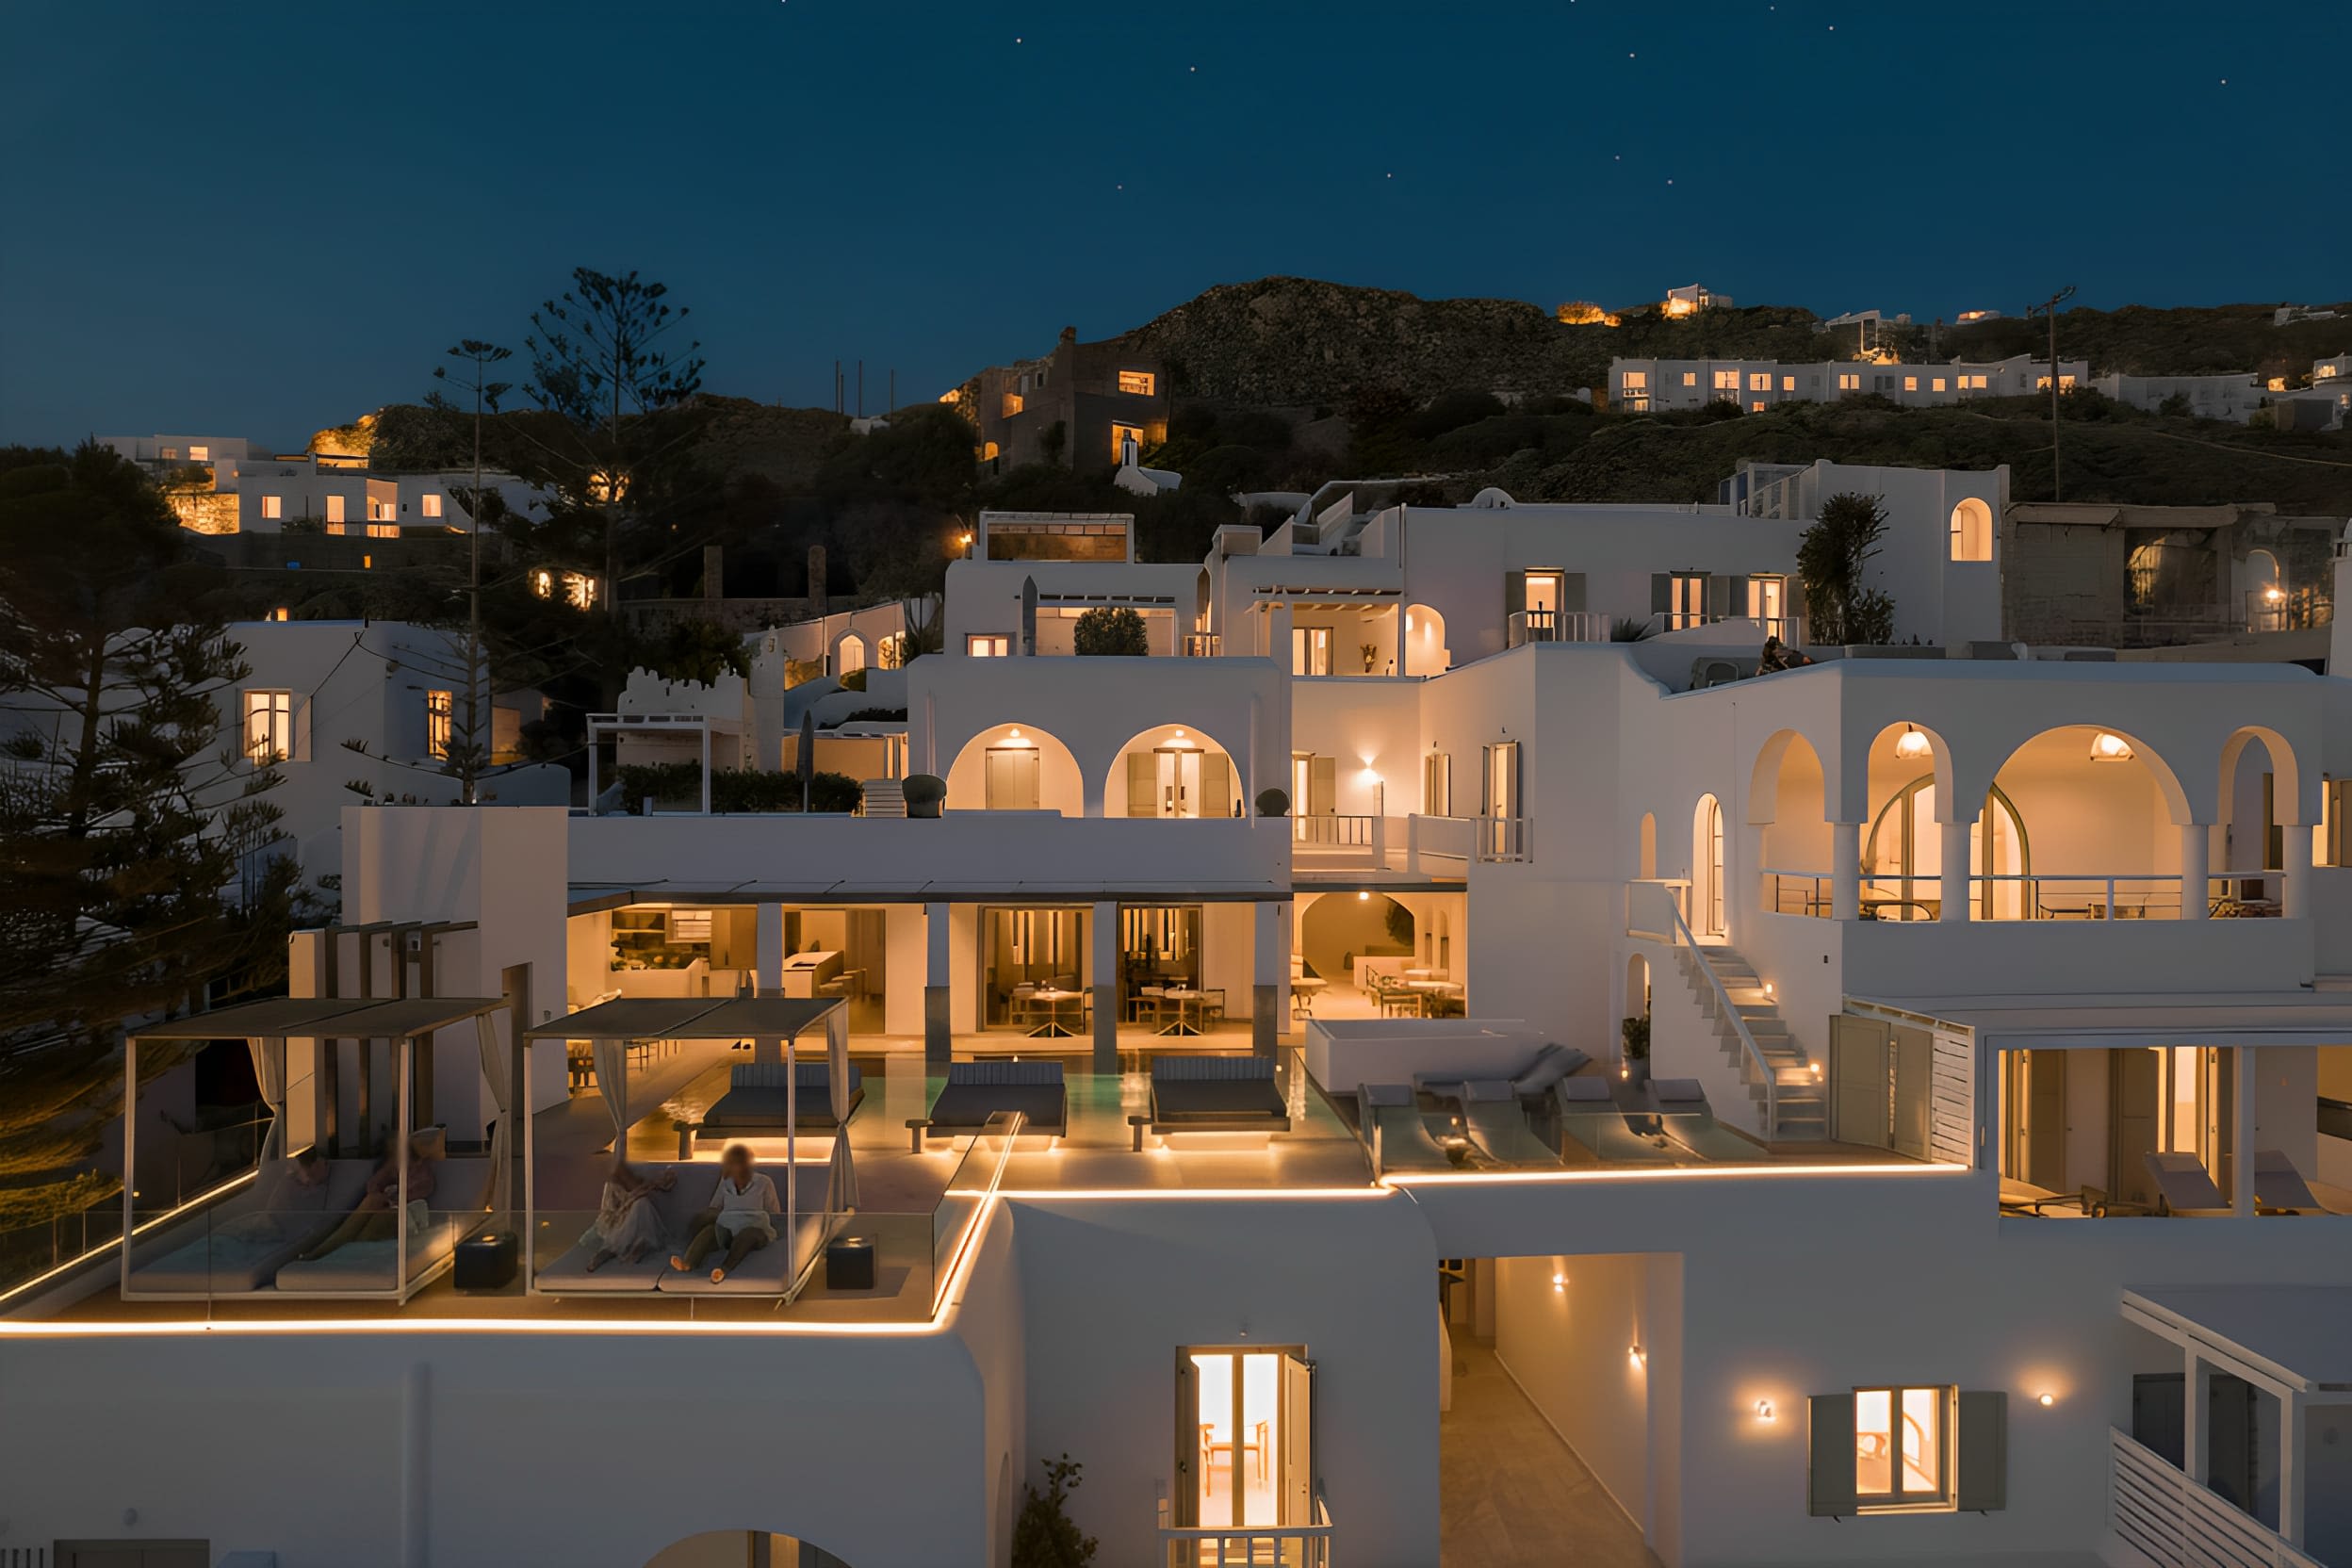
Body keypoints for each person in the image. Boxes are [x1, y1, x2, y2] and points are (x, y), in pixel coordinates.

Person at [295, 1144, 435, 1262]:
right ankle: (324, 1253)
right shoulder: (393, 1169)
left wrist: (390, 1198)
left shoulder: (423, 1175)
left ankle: (340, 1256)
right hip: (385, 1206)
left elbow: (414, 1195)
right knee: (364, 1210)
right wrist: (388, 1171)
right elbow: (372, 1185)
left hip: (404, 1213)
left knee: (379, 1219)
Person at [670, 1143, 778, 1283]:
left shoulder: (764, 1182)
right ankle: (688, 1263)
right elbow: (715, 1207)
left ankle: (723, 1269)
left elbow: (775, 1212)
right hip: (729, 1227)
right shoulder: (726, 1182)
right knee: (710, 1231)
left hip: (754, 1230)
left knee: (748, 1234)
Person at [583, 1158, 677, 1272]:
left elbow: (646, 1194)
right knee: (639, 1208)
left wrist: (657, 1184)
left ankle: (641, 1246)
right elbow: (610, 1215)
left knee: (643, 1205)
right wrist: (651, 1186)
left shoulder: (640, 1185)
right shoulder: (613, 1186)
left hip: (639, 1223)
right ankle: (610, 1249)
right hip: (616, 1225)